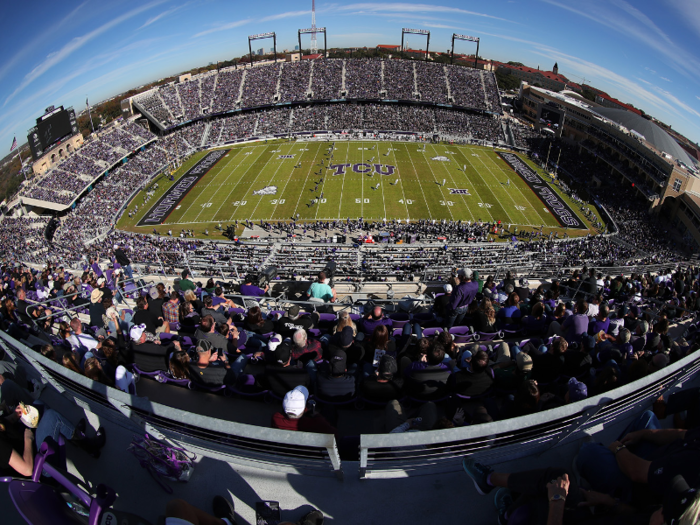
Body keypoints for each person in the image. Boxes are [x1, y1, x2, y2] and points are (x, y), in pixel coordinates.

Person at [271, 385, 337, 435]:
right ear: (304, 407)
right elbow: (334, 434)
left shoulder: (276, 417)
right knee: (329, 409)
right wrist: (317, 415)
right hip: (310, 450)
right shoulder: (316, 422)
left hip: (285, 449)